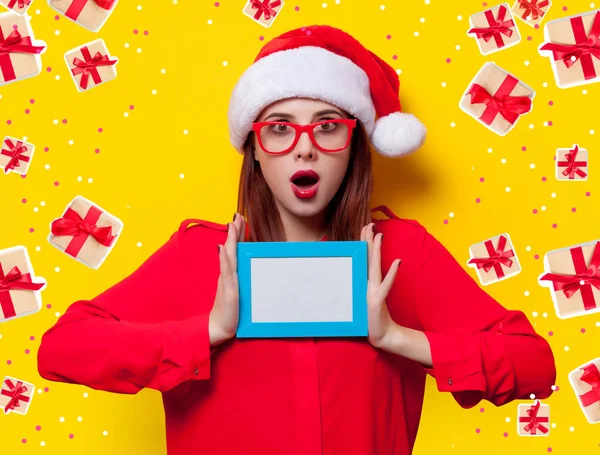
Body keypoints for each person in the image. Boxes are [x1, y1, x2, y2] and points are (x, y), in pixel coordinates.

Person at [37, 24, 556, 455]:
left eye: (326, 126)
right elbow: (61, 349)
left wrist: (399, 338)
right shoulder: (205, 257)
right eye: (279, 128)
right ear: (255, 151)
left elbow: (535, 364)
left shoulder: (399, 254)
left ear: (353, 145)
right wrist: (207, 331)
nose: (303, 149)